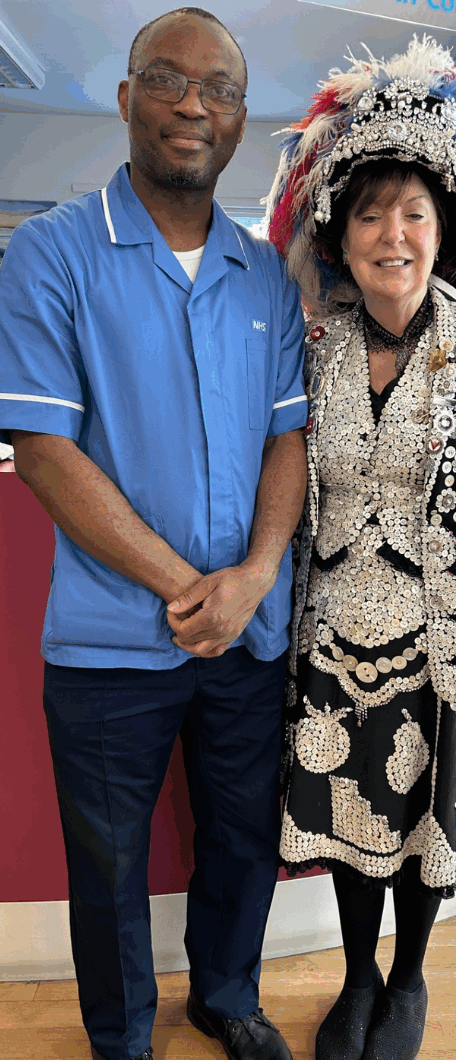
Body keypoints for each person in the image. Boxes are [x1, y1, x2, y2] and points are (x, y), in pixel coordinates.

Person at [0, 9, 306, 1060]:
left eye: (216, 88)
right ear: (126, 99)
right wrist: (188, 588)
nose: (191, 104)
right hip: (110, 644)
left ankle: (227, 993)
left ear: (240, 118)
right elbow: (42, 450)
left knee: (243, 836)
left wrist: (253, 578)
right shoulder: (53, 254)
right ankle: (120, 1035)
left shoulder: (267, 278)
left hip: (248, 636)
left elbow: (285, 442)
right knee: (110, 862)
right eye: (167, 79)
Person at [265, 36, 456, 1060]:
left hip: (441, 643)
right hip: (333, 637)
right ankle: (357, 976)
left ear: (441, 228)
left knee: (424, 823)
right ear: (341, 234)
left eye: (414, 212)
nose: (394, 233)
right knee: (346, 811)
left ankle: (415, 975)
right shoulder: (314, 344)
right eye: (373, 212)